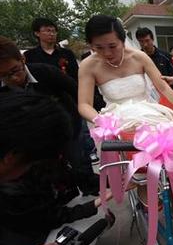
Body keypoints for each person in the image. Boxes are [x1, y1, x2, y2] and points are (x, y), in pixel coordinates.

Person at [0, 91, 110, 245]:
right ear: (10, 157)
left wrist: (110, 182)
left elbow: (73, 176)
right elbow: (45, 219)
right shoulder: (15, 189)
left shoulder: (38, 163)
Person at [0, 36, 99, 196]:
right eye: (4, 76)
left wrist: (93, 112)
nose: (12, 79)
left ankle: (91, 188)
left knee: (79, 160)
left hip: (68, 128)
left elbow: (78, 92)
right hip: (35, 140)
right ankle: (67, 194)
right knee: (51, 170)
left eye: (14, 71)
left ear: (22, 59)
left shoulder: (45, 72)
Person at [78, 15, 173, 131]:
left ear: (123, 40)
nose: (107, 53)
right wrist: (101, 121)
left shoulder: (139, 57)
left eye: (112, 46)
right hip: (116, 123)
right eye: (99, 48)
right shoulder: (88, 66)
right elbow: (84, 104)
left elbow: (163, 87)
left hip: (148, 116)